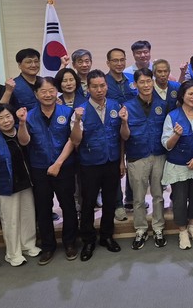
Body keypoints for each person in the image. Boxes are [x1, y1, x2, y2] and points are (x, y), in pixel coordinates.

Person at [16, 77, 78, 265]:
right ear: (36, 94)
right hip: (39, 168)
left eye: (51, 90)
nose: (48, 94)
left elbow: (73, 140)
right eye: (43, 91)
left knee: (68, 206)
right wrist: (21, 123)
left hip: (64, 167)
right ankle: (48, 246)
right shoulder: (29, 116)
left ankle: (70, 243)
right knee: (43, 209)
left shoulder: (67, 112)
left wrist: (58, 163)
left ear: (57, 92)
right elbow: (24, 141)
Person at [70, 69, 128, 260]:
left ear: (106, 86)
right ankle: (88, 240)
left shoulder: (115, 106)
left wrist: (121, 161)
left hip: (112, 161)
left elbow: (122, 137)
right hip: (89, 164)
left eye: (102, 85)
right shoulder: (80, 110)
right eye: (95, 86)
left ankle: (106, 236)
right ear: (88, 88)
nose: (99, 89)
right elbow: (75, 140)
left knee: (110, 201)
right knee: (88, 203)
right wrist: (77, 121)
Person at [0, 104, 40, 266]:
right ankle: (13, 253)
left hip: (26, 181)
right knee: (11, 219)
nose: (6, 121)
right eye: (1, 118)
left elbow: (27, 144)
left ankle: (28, 245)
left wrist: (22, 123)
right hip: (5, 185)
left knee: (28, 215)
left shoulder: (20, 129)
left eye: (8, 116)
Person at [124, 68, 168, 250]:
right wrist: (124, 122)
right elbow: (123, 136)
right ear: (135, 85)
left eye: (148, 81)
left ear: (153, 82)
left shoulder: (162, 104)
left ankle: (158, 228)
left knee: (158, 195)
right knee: (138, 198)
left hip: (158, 154)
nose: (146, 85)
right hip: (137, 156)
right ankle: (141, 229)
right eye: (141, 82)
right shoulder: (127, 107)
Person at [161, 81, 193, 250]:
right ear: (182, 95)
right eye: (190, 94)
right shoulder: (172, 116)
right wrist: (176, 135)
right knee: (180, 199)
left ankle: (192, 225)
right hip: (178, 165)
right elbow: (167, 145)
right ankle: (182, 231)